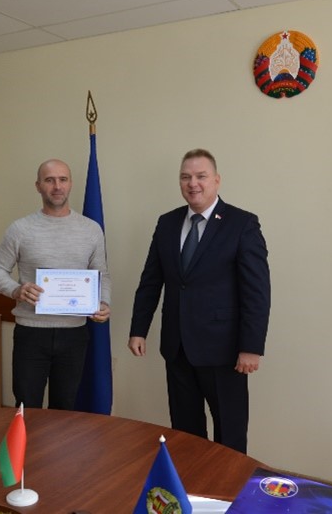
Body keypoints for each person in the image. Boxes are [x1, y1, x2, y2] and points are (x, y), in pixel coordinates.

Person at [128, 148, 270, 453]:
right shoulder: (167, 223)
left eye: (201, 176)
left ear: (216, 180)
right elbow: (151, 280)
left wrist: (251, 347)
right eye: (186, 177)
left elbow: (257, 292)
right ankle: (190, 481)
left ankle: (229, 484)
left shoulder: (242, 223)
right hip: (177, 348)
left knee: (229, 436)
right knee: (185, 434)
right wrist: (139, 329)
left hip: (225, 352)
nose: (193, 183)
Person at [0, 158, 111, 410]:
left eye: (63, 179)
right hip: (31, 333)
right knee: (26, 406)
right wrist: (16, 290)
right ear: (38, 186)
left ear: (70, 184)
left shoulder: (91, 229)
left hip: (74, 334)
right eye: (49, 180)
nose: (57, 186)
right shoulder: (20, 229)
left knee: (65, 409)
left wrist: (103, 302)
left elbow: (102, 274)